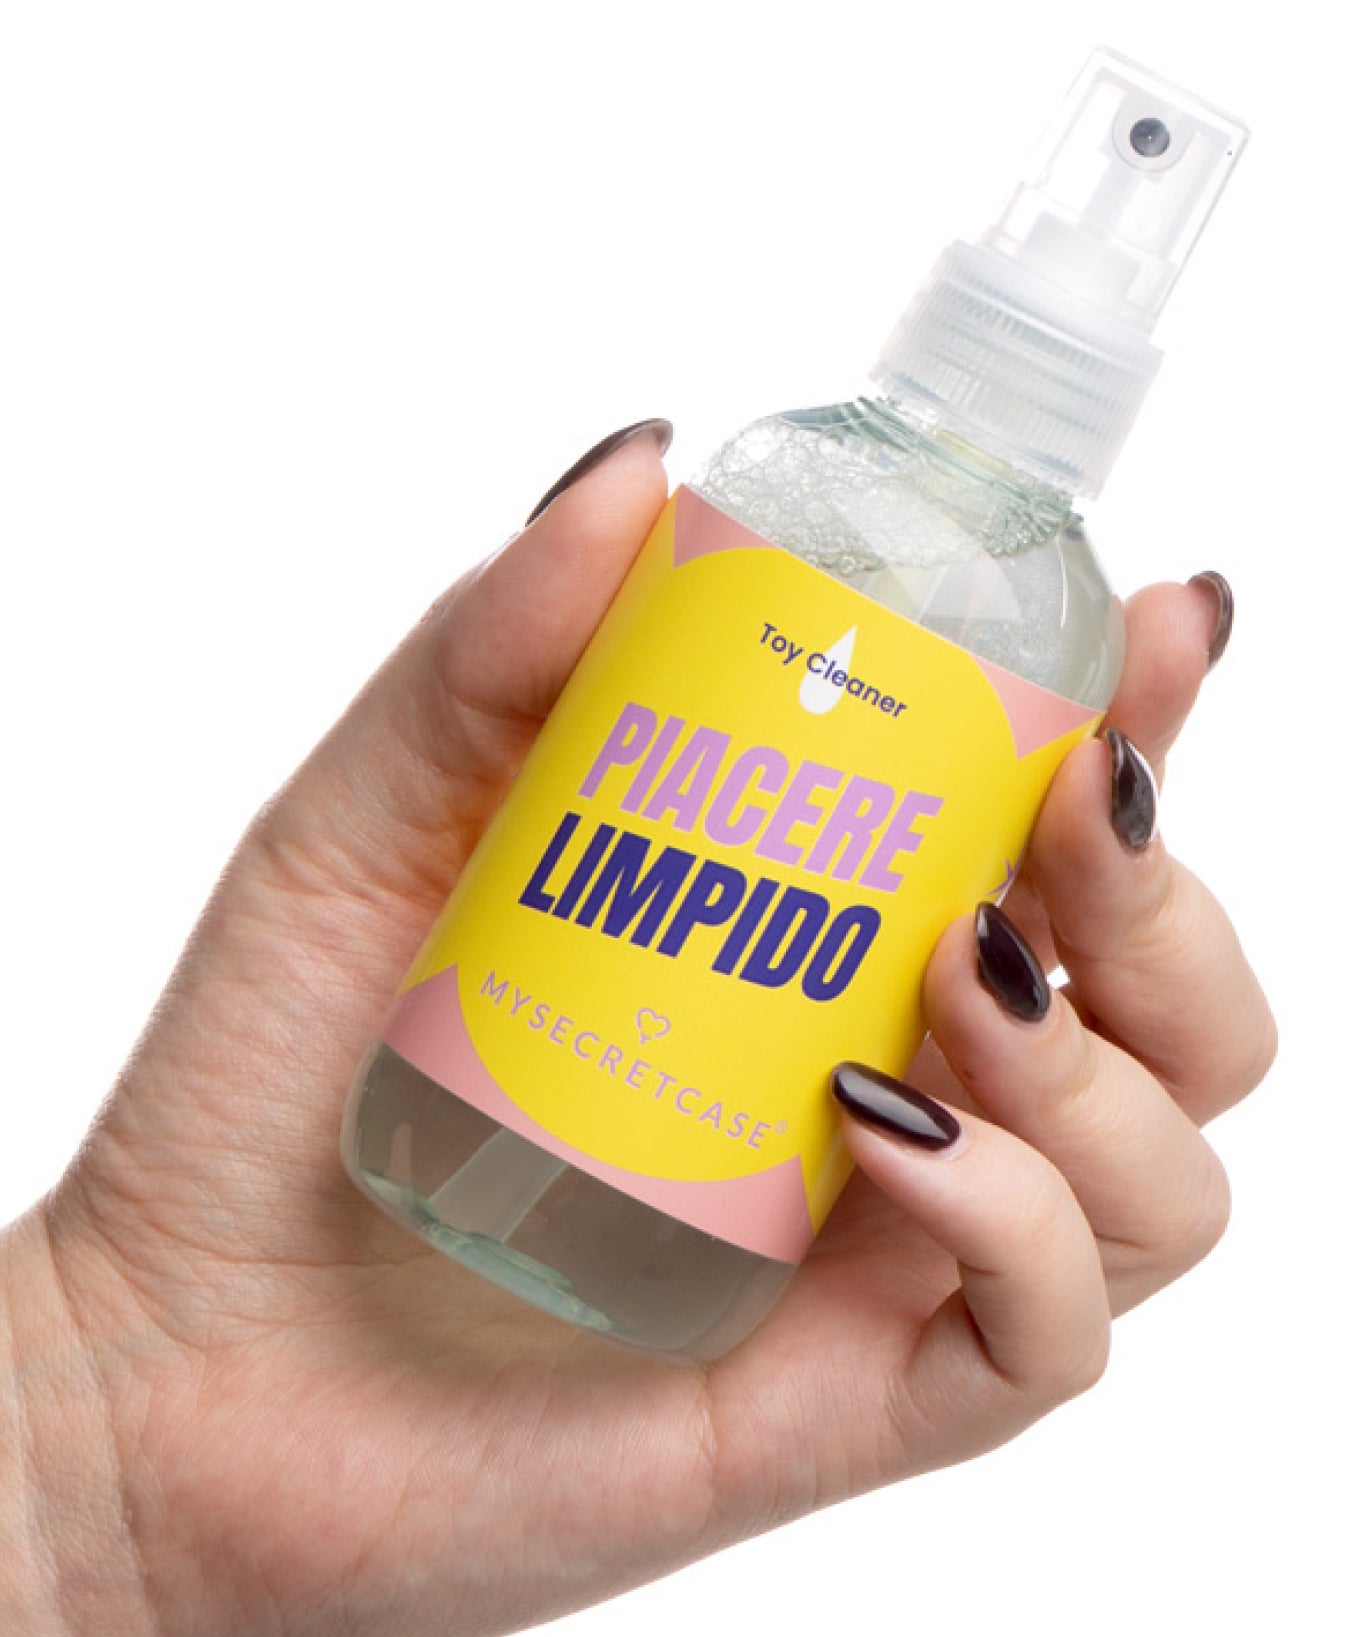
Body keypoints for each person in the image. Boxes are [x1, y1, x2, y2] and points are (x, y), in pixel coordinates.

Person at [0, 420, 1274, 1635]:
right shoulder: (794, 470)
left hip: (705, 1228)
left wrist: (110, 1540)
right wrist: (75, 1466)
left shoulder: (1055, 608)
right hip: (411, 1144)